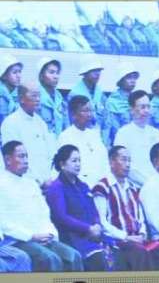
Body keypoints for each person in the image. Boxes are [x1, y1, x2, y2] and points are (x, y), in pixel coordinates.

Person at [0, 141, 83, 271]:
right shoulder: (2, 184)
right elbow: (3, 223)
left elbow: (44, 213)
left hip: (42, 238)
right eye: (21, 156)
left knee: (73, 256)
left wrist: (49, 234)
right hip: (18, 241)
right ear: (8, 159)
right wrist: (31, 236)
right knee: (49, 258)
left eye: (26, 156)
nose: (26, 160)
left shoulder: (31, 184)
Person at [91, 145, 159, 270]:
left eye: (129, 160)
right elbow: (102, 222)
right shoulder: (102, 187)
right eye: (123, 159)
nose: (128, 164)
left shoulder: (133, 188)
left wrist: (142, 234)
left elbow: (140, 218)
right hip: (117, 241)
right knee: (138, 252)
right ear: (111, 162)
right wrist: (125, 237)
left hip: (137, 238)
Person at [43, 146, 107, 269]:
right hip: (72, 238)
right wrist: (88, 228)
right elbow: (62, 217)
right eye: (74, 161)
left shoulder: (83, 186)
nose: (78, 164)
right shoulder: (56, 187)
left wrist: (97, 225)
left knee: (116, 252)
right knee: (98, 258)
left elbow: (94, 211)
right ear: (62, 164)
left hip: (93, 235)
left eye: (79, 160)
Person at [2, 86, 56, 184]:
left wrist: (49, 178)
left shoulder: (40, 122)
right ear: (21, 99)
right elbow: (14, 160)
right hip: (23, 182)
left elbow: (51, 153)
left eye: (39, 96)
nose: (38, 99)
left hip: (47, 181)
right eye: (34, 96)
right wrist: (36, 182)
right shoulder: (11, 123)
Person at [57, 97, 107, 187]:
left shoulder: (94, 135)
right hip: (78, 185)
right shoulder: (66, 136)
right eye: (85, 111)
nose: (89, 115)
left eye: (91, 110)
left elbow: (104, 161)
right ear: (73, 114)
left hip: (100, 185)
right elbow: (66, 167)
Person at [114, 91, 159, 186]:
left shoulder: (156, 133)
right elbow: (123, 164)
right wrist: (148, 183)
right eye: (142, 107)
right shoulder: (123, 133)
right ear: (132, 110)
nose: (146, 111)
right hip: (133, 185)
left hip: (156, 184)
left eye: (148, 107)